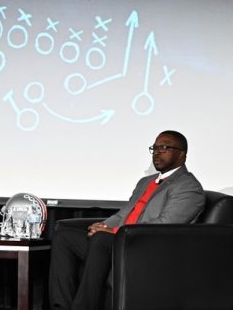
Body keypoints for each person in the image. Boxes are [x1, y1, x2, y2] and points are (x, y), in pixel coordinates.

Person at [49, 130, 205, 310]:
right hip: (118, 243)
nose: (157, 152)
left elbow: (164, 226)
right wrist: (103, 225)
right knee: (64, 236)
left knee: (101, 239)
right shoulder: (146, 181)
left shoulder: (188, 187)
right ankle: (61, 306)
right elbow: (124, 214)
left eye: (164, 147)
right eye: (154, 148)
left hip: (144, 249)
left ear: (182, 154)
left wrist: (113, 232)